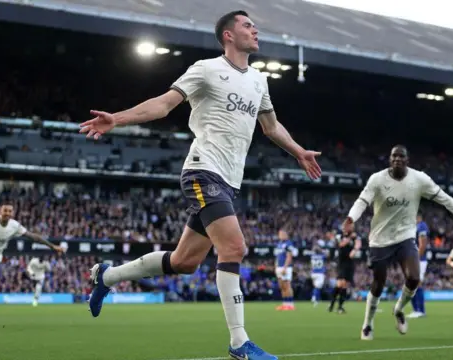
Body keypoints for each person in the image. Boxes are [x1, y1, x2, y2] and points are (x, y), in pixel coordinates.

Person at [79, 10, 321, 360]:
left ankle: (108, 275)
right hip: (202, 171)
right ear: (227, 35)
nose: (255, 29)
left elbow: (270, 127)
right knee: (234, 248)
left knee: (184, 262)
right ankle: (239, 343)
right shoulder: (206, 69)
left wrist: (298, 152)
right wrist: (117, 118)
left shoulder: (258, 80)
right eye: (247, 25)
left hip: (229, 181)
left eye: (254, 25)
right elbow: (164, 105)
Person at [342, 145, 453, 340]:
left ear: (407, 160)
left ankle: (398, 310)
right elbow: (362, 201)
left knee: (413, 278)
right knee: (378, 283)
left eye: (401, 156)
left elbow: (445, 199)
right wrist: (351, 218)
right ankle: (367, 324)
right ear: (389, 159)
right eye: (393, 156)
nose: (397, 159)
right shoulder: (377, 179)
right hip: (380, 239)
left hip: (405, 237)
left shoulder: (419, 179)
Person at [328, 232, 359, 314]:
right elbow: (341, 245)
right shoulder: (339, 235)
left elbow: (358, 244)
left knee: (343, 285)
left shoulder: (354, 237)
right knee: (340, 284)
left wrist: (355, 248)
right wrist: (350, 238)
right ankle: (334, 305)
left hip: (349, 263)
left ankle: (338, 306)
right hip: (341, 263)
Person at [408, 214, 429, 318]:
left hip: (419, 260)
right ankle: (416, 310)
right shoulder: (414, 227)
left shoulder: (421, 226)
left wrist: (417, 258)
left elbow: (423, 244)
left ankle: (421, 311)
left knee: (416, 284)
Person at [275, 230, 295, 311]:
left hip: (285, 267)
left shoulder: (288, 243)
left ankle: (290, 304)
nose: (281, 235)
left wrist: (285, 267)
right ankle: (285, 304)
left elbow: (289, 256)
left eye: (283, 234)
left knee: (287, 285)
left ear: (286, 235)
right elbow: (277, 257)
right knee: (282, 286)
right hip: (279, 267)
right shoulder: (279, 244)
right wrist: (275, 266)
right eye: (280, 234)